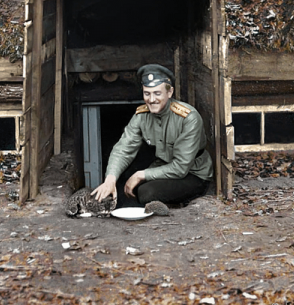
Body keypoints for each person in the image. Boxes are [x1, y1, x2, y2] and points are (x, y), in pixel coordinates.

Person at [91, 64, 213, 206]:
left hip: (193, 173)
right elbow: (123, 148)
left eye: (157, 93)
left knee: (146, 192)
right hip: (163, 166)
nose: (152, 99)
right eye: (147, 93)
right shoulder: (142, 115)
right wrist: (110, 179)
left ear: (169, 92)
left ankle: (177, 207)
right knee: (127, 184)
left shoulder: (188, 118)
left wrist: (140, 175)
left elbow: (180, 168)